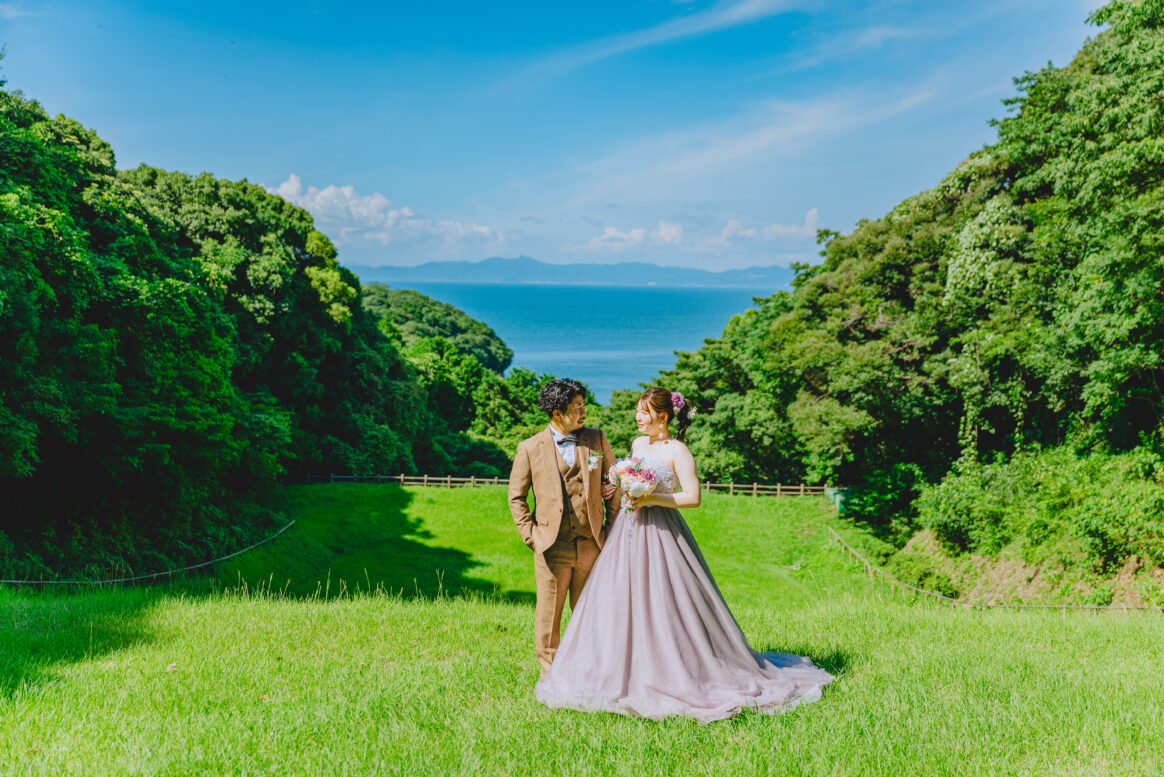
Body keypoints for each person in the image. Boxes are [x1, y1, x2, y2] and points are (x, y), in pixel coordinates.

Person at [534, 387, 834, 722]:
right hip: (629, 533)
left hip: (663, 532)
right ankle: (621, 666)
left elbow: (692, 497)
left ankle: (678, 668)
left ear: (662, 417)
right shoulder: (637, 444)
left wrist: (651, 498)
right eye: (638, 411)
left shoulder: (678, 451)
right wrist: (618, 485)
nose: (637, 417)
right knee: (622, 599)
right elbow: (626, 480)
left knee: (666, 600)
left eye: (644, 412)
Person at [508, 378, 620, 676]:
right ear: (557, 413)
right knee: (549, 615)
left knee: (591, 613)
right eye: (577, 407)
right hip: (551, 545)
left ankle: (592, 672)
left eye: (584, 405)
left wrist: (610, 530)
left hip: (592, 544)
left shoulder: (596, 439)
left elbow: (614, 485)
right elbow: (516, 498)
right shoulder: (529, 448)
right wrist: (532, 536)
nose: (584, 412)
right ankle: (550, 677)